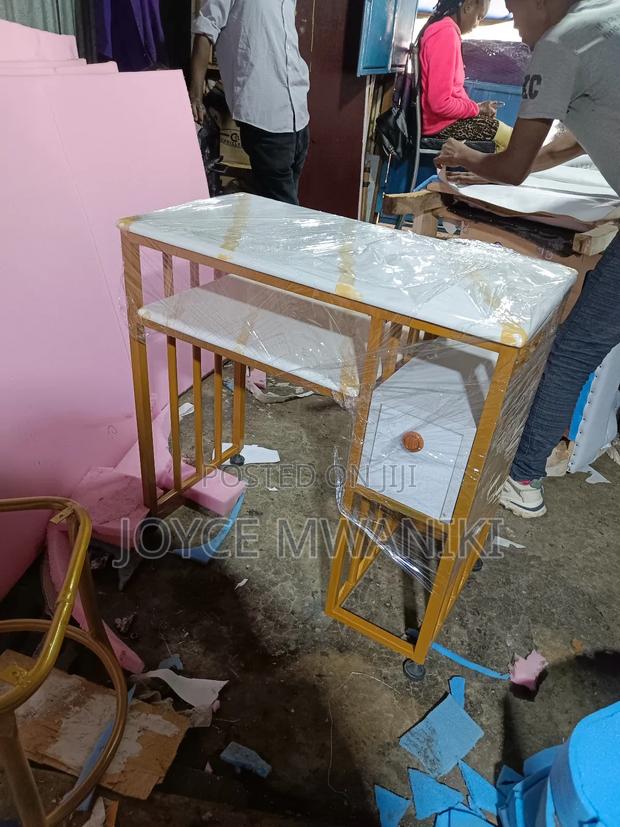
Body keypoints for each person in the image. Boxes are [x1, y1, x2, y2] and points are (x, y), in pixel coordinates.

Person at [435, 0, 620, 518]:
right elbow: (560, 150)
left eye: (516, 9)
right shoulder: (607, 19)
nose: (515, 25)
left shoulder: (559, 43)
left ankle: (522, 481)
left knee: (575, 348)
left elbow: (514, 168)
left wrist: (467, 157)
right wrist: (482, 163)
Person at [189, 0, 310, 205]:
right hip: (265, 115)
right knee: (285, 212)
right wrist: (195, 96)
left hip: (298, 113)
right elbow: (205, 29)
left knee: (278, 207)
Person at [419, 0, 513, 151]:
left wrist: (477, 108)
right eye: (478, 17)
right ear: (468, 7)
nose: (477, 24)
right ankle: (474, 175)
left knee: (510, 142)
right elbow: (440, 103)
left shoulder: (445, 30)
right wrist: (477, 109)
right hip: (440, 126)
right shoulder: (446, 34)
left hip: (443, 121)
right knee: (511, 141)